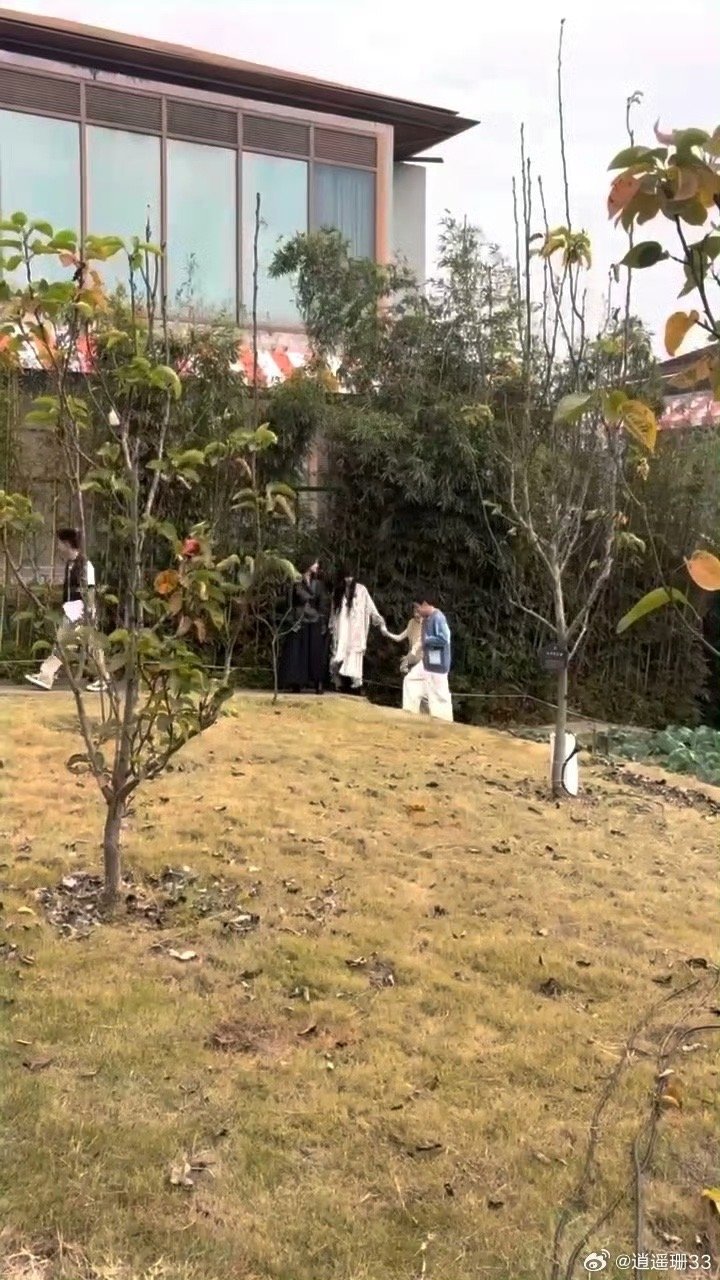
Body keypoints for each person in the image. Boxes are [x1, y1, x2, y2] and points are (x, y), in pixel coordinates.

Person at [25, 527, 106, 692]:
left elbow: (90, 590)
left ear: (68, 544)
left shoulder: (85, 565)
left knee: (67, 643)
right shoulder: (70, 564)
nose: (58, 547)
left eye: (60, 543)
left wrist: (89, 612)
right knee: (84, 646)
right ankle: (102, 678)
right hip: (72, 609)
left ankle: (47, 675)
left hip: (81, 611)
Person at [401, 590, 454, 722]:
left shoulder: (438, 618)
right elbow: (421, 639)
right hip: (427, 662)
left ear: (425, 604)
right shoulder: (425, 620)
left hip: (438, 664)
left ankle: (444, 722)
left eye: (418, 607)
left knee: (439, 695)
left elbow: (445, 638)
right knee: (411, 680)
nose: (417, 611)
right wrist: (412, 654)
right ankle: (410, 713)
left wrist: (428, 641)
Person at [329, 571, 385, 693]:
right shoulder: (338, 591)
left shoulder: (361, 590)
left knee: (354, 654)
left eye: (350, 576)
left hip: (356, 628)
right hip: (342, 626)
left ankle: (356, 684)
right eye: (346, 577)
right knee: (338, 654)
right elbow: (334, 611)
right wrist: (331, 625)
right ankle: (337, 682)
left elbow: (370, 606)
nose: (349, 579)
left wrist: (378, 618)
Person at [278, 561, 329, 694]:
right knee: (297, 652)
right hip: (299, 619)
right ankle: (296, 682)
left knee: (315, 653)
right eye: (315, 563)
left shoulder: (318, 584)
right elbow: (289, 603)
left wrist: (322, 621)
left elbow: (322, 603)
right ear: (308, 564)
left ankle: (318, 683)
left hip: (314, 620)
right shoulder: (295, 582)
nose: (317, 566)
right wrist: (291, 621)